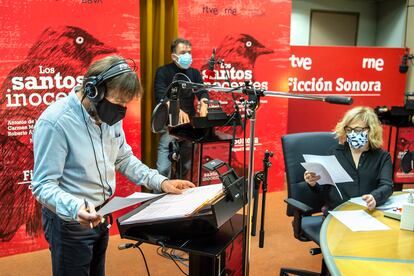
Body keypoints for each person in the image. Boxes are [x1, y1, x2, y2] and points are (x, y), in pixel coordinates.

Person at [31, 55, 195, 276]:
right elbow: (43, 185)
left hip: (101, 215)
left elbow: (123, 158)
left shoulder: (109, 116)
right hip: (70, 223)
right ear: (93, 91)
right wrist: (75, 207)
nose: (121, 111)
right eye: (118, 103)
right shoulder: (55, 122)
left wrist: (161, 182)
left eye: (125, 104)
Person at [304, 106, 393, 212]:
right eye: (349, 130)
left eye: (358, 130)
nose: (353, 134)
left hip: (368, 212)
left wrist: (374, 197)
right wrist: (312, 183)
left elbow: (387, 186)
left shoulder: (382, 156)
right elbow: (323, 189)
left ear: (371, 130)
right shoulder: (334, 153)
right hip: (337, 213)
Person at [154, 38, 209, 179]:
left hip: (189, 127)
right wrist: (176, 108)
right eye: (183, 52)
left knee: (186, 167)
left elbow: (202, 91)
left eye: (189, 52)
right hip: (169, 126)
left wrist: (204, 102)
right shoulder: (163, 72)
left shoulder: (195, 73)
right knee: (163, 170)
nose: (187, 55)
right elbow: (161, 95)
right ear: (174, 56)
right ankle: (161, 191)